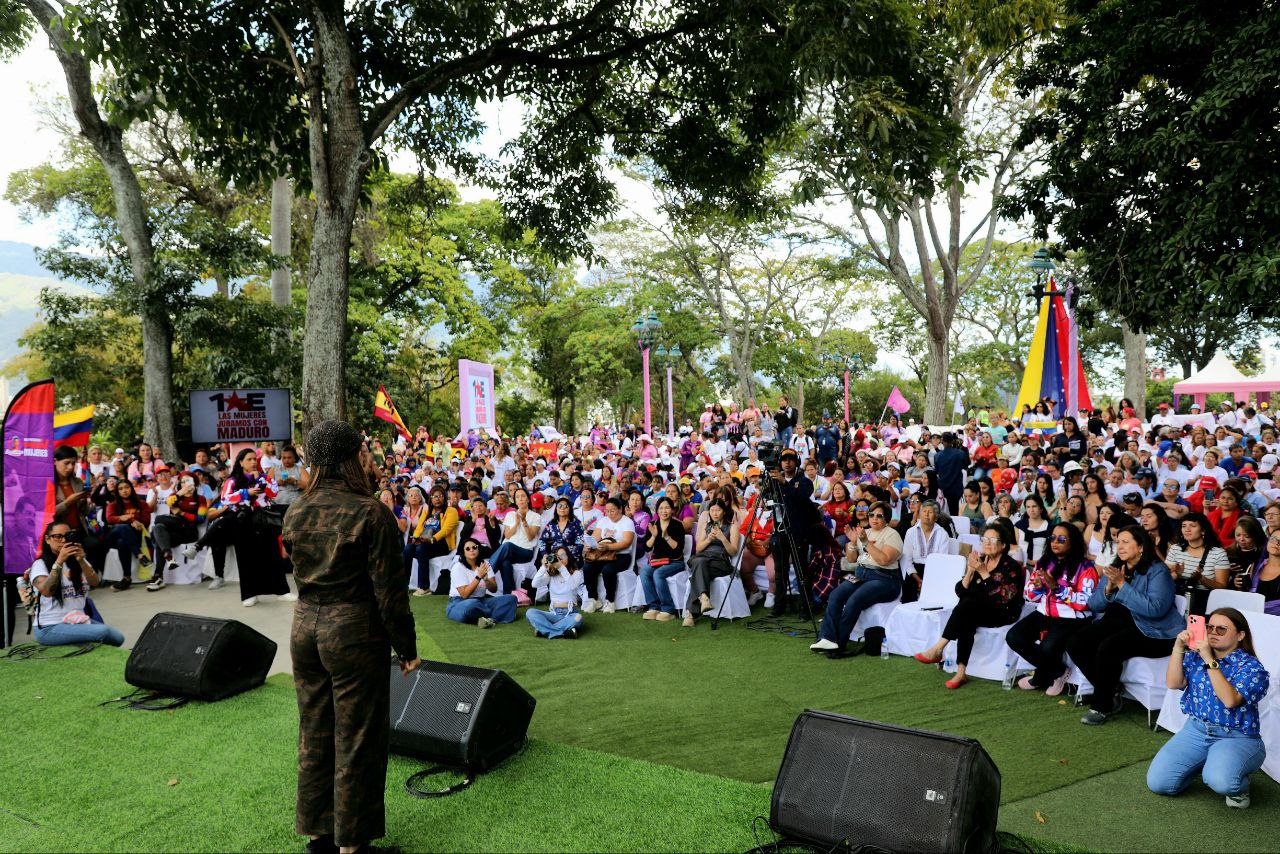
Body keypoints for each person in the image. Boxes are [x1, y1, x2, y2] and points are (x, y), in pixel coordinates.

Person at [282, 420, 420, 854]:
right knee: (357, 735)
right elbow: (390, 593)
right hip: (353, 630)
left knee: (314, 729)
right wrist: (407, 647)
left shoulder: (296, 508)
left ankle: (318, 835)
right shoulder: (370, 511)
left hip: (304, 627)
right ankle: (353, 846)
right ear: (353, 456)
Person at [1147, 608, 1269, 809]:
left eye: (1221, 629)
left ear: (1240, 635)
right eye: (1209, 627)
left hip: (1237, 737)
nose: (1212, 633)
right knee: (1159, 782)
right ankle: (1208, 763)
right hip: (1196, 730)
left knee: (1222, 781)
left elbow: (1230, 700)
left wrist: (1208, 660)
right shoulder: (1196, 656)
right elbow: (1173, 683)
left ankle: (1239, 784)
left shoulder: (1252, 668)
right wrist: (1178, 648)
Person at [1068, 525, 1182, 725]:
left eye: (1126, 542)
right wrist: (1109, 588)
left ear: (1140, 547)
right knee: (1076, 642)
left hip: (1154, 631)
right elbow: (1094, 604)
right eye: (1118, 542)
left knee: (1109, 647)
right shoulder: (1115, 567)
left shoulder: (1158, 571)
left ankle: (1102, 705)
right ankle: (1111, 689)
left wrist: (1122, 585)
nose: (1120, 546)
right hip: (1119, 623)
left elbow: (1155, 609)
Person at [914, 523, 1024, 688]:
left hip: (1004, 612)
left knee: (967, 606)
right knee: (967, 613)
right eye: (985, 539)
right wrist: (971, 571)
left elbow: (1004, 598)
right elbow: (960, 591)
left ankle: (938, 649)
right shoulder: (980, 560)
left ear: (1003, 545)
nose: (987, 542)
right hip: (977, 609)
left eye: (992, 539)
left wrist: (984, 573)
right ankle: (960, 672)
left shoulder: (1011, 566)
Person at [1006, 524, 1098, 695]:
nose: (1056, 542)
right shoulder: (1044, 562)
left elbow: (1085, 602)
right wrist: (1037, 588)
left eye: (1062, 539)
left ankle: (1041, 676)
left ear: (1073, 542)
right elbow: (1029, 596)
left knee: (1048, 647)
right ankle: (1058, 671)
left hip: (1073, 617)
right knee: (1014, 637)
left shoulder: (1086, 567)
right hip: (1044, 612)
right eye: (1053, 538)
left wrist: (1056, 588)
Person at [808, 501, 903, 659]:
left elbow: (884, 560)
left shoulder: (892, 534)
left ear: (886, 519)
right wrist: (852, 542)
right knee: (836, 595)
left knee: (854, 599)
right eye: (871, 515)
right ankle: (827, 638)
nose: (874, 518)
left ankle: (839, 642)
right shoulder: (866, 532)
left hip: (884, 578)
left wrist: (865, 543)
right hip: (861, 574)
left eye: (879, 516)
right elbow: (852, 559)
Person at [26, 522, 123, 646]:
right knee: (104, 632)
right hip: (49, 627)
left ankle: (78, 641)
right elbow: (47, 591)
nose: (63, 540)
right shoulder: (39, 564)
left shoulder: (76, 559)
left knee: (118, 638)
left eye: (67, 536)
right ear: (47, 539)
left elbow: (95, 582)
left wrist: (81, 560)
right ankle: (79, 642)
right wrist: (59, 561)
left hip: (77, 621)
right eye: (57, 536)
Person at [222, 448, 293, 607]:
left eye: (255, 459)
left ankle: (282, 591)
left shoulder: (264, 477)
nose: (253, 462)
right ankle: (249, 594)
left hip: (264, 520)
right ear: (241, 462)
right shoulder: (232, 480)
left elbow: (273, 492)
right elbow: (225, 498)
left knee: (273, 554)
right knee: (246, 558)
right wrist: (246, 492)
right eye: (249, 459)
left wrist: (260, 480)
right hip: (243, 522)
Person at [769, 448, 821, 617]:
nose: (787, 462)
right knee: (780, 572)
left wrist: (784, 482)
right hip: (780, 530)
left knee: (801, 571)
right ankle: (779, 606)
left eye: (791, 458)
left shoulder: (804, 481)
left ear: (796, 461)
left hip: (799, 532)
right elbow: (767, 499)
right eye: (784, 459)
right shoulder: (774, 481)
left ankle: (806, 607)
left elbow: (802, 496)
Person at [682, 499, 741, 627]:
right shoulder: (707, 526)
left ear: (724, 512)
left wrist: (722, 538)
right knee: (700, 562)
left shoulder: (732, 527)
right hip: (703, 558)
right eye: (712, 510)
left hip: (720, 561)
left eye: (718, 510)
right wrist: (709, 539)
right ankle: (703, 598)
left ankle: (692, 612)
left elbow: (733, 551)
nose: (715, 513)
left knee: (698, 571)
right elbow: (698, 548)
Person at [1166, 512, 1232, 615]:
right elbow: (1164, 579)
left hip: (1205, 603)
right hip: (1177, 601)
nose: (1187, 529)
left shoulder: (1218, 553)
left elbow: (1222, 587)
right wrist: (1176, 574)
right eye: (1184, 526)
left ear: (1203, 530)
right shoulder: (1176, 549)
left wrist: (1201, 578)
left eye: (1192, 526)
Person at [445, 538, 519, 627]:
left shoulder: (485, 564)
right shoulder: (458, 567)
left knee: (511, 599)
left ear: (478, 549)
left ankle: (488, 619)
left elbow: (494, 589)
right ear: (463, 552)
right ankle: (493, 614)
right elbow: (464, 594)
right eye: (468, 549)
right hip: (460, 602)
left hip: (481, 601)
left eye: (474, 547)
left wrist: (486, 580)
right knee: (471, 605)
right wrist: (478, 577)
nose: (471, 550)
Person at [582, 496, 636, 614]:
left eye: (612, 510)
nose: (610, 514)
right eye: (607, 511)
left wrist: (609, 547)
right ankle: (594, 599)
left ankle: (610, 601)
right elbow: (595, 537)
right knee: (587, 567)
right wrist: (589, 544)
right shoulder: (603, 521)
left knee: (608, 570)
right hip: (603, 555)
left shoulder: (628, 522)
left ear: (620, 509)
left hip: (621, 555)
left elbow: (627, 543)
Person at [526, 546, 589, 639]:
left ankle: (544, 630)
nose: (560, 558)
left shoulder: (576, 573)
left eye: (563, 555)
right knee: (530, 612)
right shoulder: (551, 575)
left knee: (578, 618)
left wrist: (561, 567)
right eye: (557, 556)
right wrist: (544, 567)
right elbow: (534, 584)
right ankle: (563, 632)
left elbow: (572, 586)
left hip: (570, 613)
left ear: (569, 557)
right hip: (554, 613)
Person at [641, 497, 686, 621]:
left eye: (667, 508)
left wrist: (666, 537)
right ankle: (654, 606)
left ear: (672, 510)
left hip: (675, 562)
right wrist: (654, 536)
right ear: (657, 511)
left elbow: (678, 550)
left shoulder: (677, 525)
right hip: (658, 561)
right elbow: (646, 547)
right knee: (644, 572)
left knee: (658, 574)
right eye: (661, 508)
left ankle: (668, 609)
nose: (664, 511)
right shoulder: (653, 525)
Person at [105, 479, 152, 590]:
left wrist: (131, 519)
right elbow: (110, 519)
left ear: (131, 488)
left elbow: (146, 521)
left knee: (122, 542)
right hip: (113, 535)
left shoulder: (142, 504)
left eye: (127, 487)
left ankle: (126, 578)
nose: (124, 491)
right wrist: (128, 520)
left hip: (134, 536)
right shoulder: (113, 505)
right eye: (120, 489)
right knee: (122, 527)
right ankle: (140, 555)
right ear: (117, 492)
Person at [900, 499, 950, 604]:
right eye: (924, 511)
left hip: (934, 571)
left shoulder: (942, 534)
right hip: (914, 571)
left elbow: (941, 561)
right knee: (909, 597)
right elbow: (906, 559)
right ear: (920, 514)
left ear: (936, 517)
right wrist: (919, 580)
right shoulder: (911, 532)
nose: (926, 514)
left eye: (930, 512)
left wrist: (928, 581)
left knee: (933, 601)